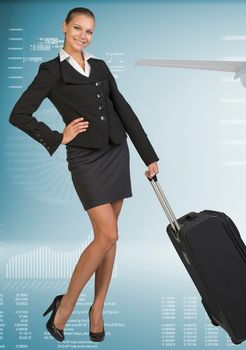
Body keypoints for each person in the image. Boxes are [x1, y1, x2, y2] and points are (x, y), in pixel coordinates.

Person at [9, 7, 159, 343]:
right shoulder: (51, 71)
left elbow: (123, 109)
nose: (83, 36)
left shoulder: (101, 66)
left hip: (116, 153)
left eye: (89, 31)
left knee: (112, 236)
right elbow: (18, 114)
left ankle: (98, 309)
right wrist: (57, 136)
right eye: (77, 28)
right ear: (64, 27)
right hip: (86, 160)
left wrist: (148, 155)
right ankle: (67, 305)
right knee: (106, 235)